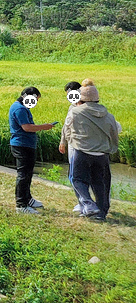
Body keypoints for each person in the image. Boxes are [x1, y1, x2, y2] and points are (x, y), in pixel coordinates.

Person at [60, 79, 121, 221]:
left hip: (82, 152)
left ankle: (88, 204)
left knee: (77, 179)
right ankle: (101, 214)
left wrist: (70, 142)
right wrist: (111, 148)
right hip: (102, 155)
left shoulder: (75, 112)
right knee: (99, 183)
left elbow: (67, 129)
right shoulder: (108, 115)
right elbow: (114, 132)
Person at [8, 86, 57, 214]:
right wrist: (44, 127)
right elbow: (27, 127)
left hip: (26, 145)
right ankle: (21, 205)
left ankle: (27, 199)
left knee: (28, 174)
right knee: (23, 175)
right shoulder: (19, 109)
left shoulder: (21, 107)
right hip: (22, 145)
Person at [59, 81, 98, 216]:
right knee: (76, 175)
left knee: (76, 175)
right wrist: (63, 141)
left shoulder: (82, 108)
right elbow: (66, 126)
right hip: (74, 145)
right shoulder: (74, 107)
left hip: (80, 146)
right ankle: (83, 202)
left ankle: (85, 203)